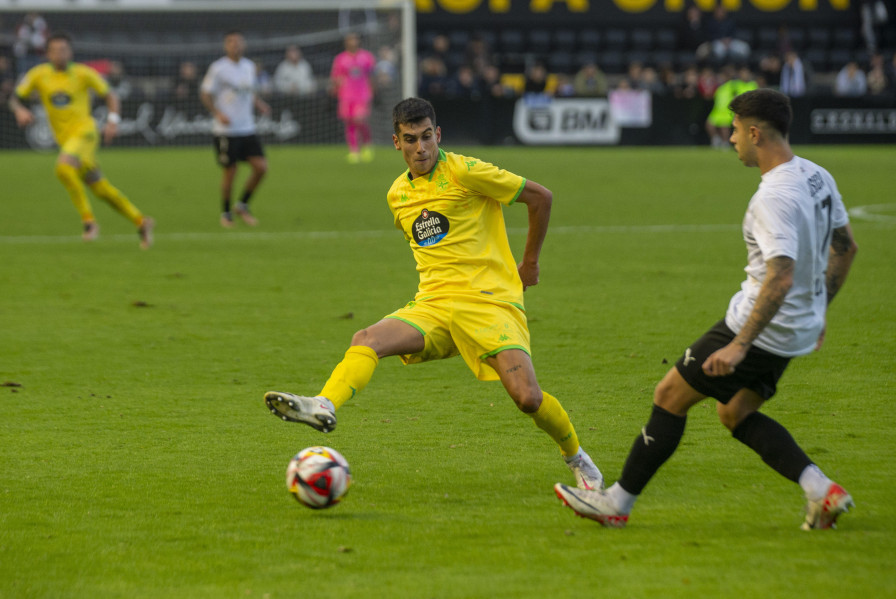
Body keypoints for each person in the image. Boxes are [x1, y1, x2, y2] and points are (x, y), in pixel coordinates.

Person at [265, 97, 604, 493]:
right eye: (411, 139)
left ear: (437, 134)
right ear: (396, 142)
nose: (421, 148)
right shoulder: (398, 196)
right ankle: (324, 404)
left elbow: (540, 198)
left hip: (489, 302)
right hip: (435, 304)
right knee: (366, 340)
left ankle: (577, 457)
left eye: (427, 137)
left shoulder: (466, 171)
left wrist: (529, 264)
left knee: (528, 399)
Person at [554, 88, 858, 530]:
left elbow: (781, 275)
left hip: (759, 328)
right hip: (796, 330)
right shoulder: (817, 175)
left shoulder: (773, 197)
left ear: (755, 133)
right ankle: (821, 490)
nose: (731, 138)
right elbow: (846, 248)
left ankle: (616, 502)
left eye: (735, 130)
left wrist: (738, 345)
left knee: (669, 396)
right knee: (735, 413)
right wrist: (819, 310)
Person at [8, 32, 154, 248]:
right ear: (47, 53)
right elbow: (14, 98)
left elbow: (110, 95)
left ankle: (89, 222)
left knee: (63, 168)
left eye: (64, 49)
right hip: (65, 139)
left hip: (85, 133)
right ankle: (141, 221)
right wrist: (19, 110)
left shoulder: (83, 73)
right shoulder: (38, 75)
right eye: (55, 50)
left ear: (71, 52)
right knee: (100, 188)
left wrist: (113, 120)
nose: (60, 54)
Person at [200, 30, 270, 228]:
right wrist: (217, 113)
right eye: (231, 42)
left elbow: (248, 92)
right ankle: (226, 213)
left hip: (247, 127)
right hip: (226, 131)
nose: (235, 45)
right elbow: (205, 94)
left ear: (244, 45)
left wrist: (260, 104)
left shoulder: (249, 66)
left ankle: (242, 205)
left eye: (239, 42)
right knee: (231, 172)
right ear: (225, 46)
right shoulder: (218, 68)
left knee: (261, 168)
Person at [330, 32, 376, 163]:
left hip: (362, 94)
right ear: (346, 42)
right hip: (346, 95)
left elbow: (372, 75)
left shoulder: (366, 57)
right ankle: (354, 151)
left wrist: (373, 89)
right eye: (350, 40)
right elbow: (335, 77)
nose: (353, 42)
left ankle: (367, 144)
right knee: (349, 122)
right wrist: (336, 86)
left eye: (354, 39)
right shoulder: (340, 59)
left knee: (360, 120)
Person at [706, 64, 757, 148]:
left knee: (724, 126)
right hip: (718, 109)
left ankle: (725, 143)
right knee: (709, 124)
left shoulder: (737, 85)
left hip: (731, 110)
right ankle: (717, 141)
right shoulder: (724, 86)